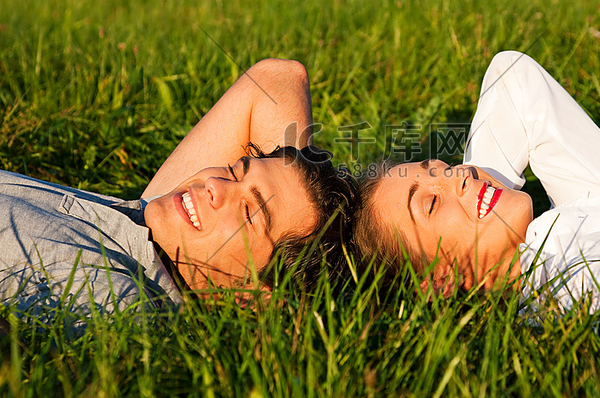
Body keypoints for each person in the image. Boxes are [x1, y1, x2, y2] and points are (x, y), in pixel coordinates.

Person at [353, 51, 600, 310]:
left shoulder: (566, 228)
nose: (457, 174)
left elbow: (513, 77)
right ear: (437, 281)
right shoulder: (577, 295)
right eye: (431, 204)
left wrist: (480, 195)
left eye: (438, 168)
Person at [1, 59, 356, 318]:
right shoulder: (145, 223)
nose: (215, 183)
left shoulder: (116, 303)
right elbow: (277, 79)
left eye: (249, 212)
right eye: (235, 169)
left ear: (252, 296)